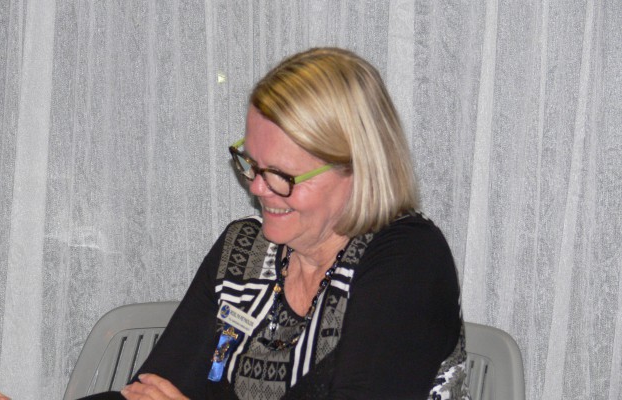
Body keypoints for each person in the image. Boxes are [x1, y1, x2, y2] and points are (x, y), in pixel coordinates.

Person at [95, 47, 469, 400]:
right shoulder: (243, 250)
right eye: (252, 164)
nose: (257, 187)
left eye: (281, 174)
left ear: (357, 169)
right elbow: (150, 391)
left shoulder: (409, 259)